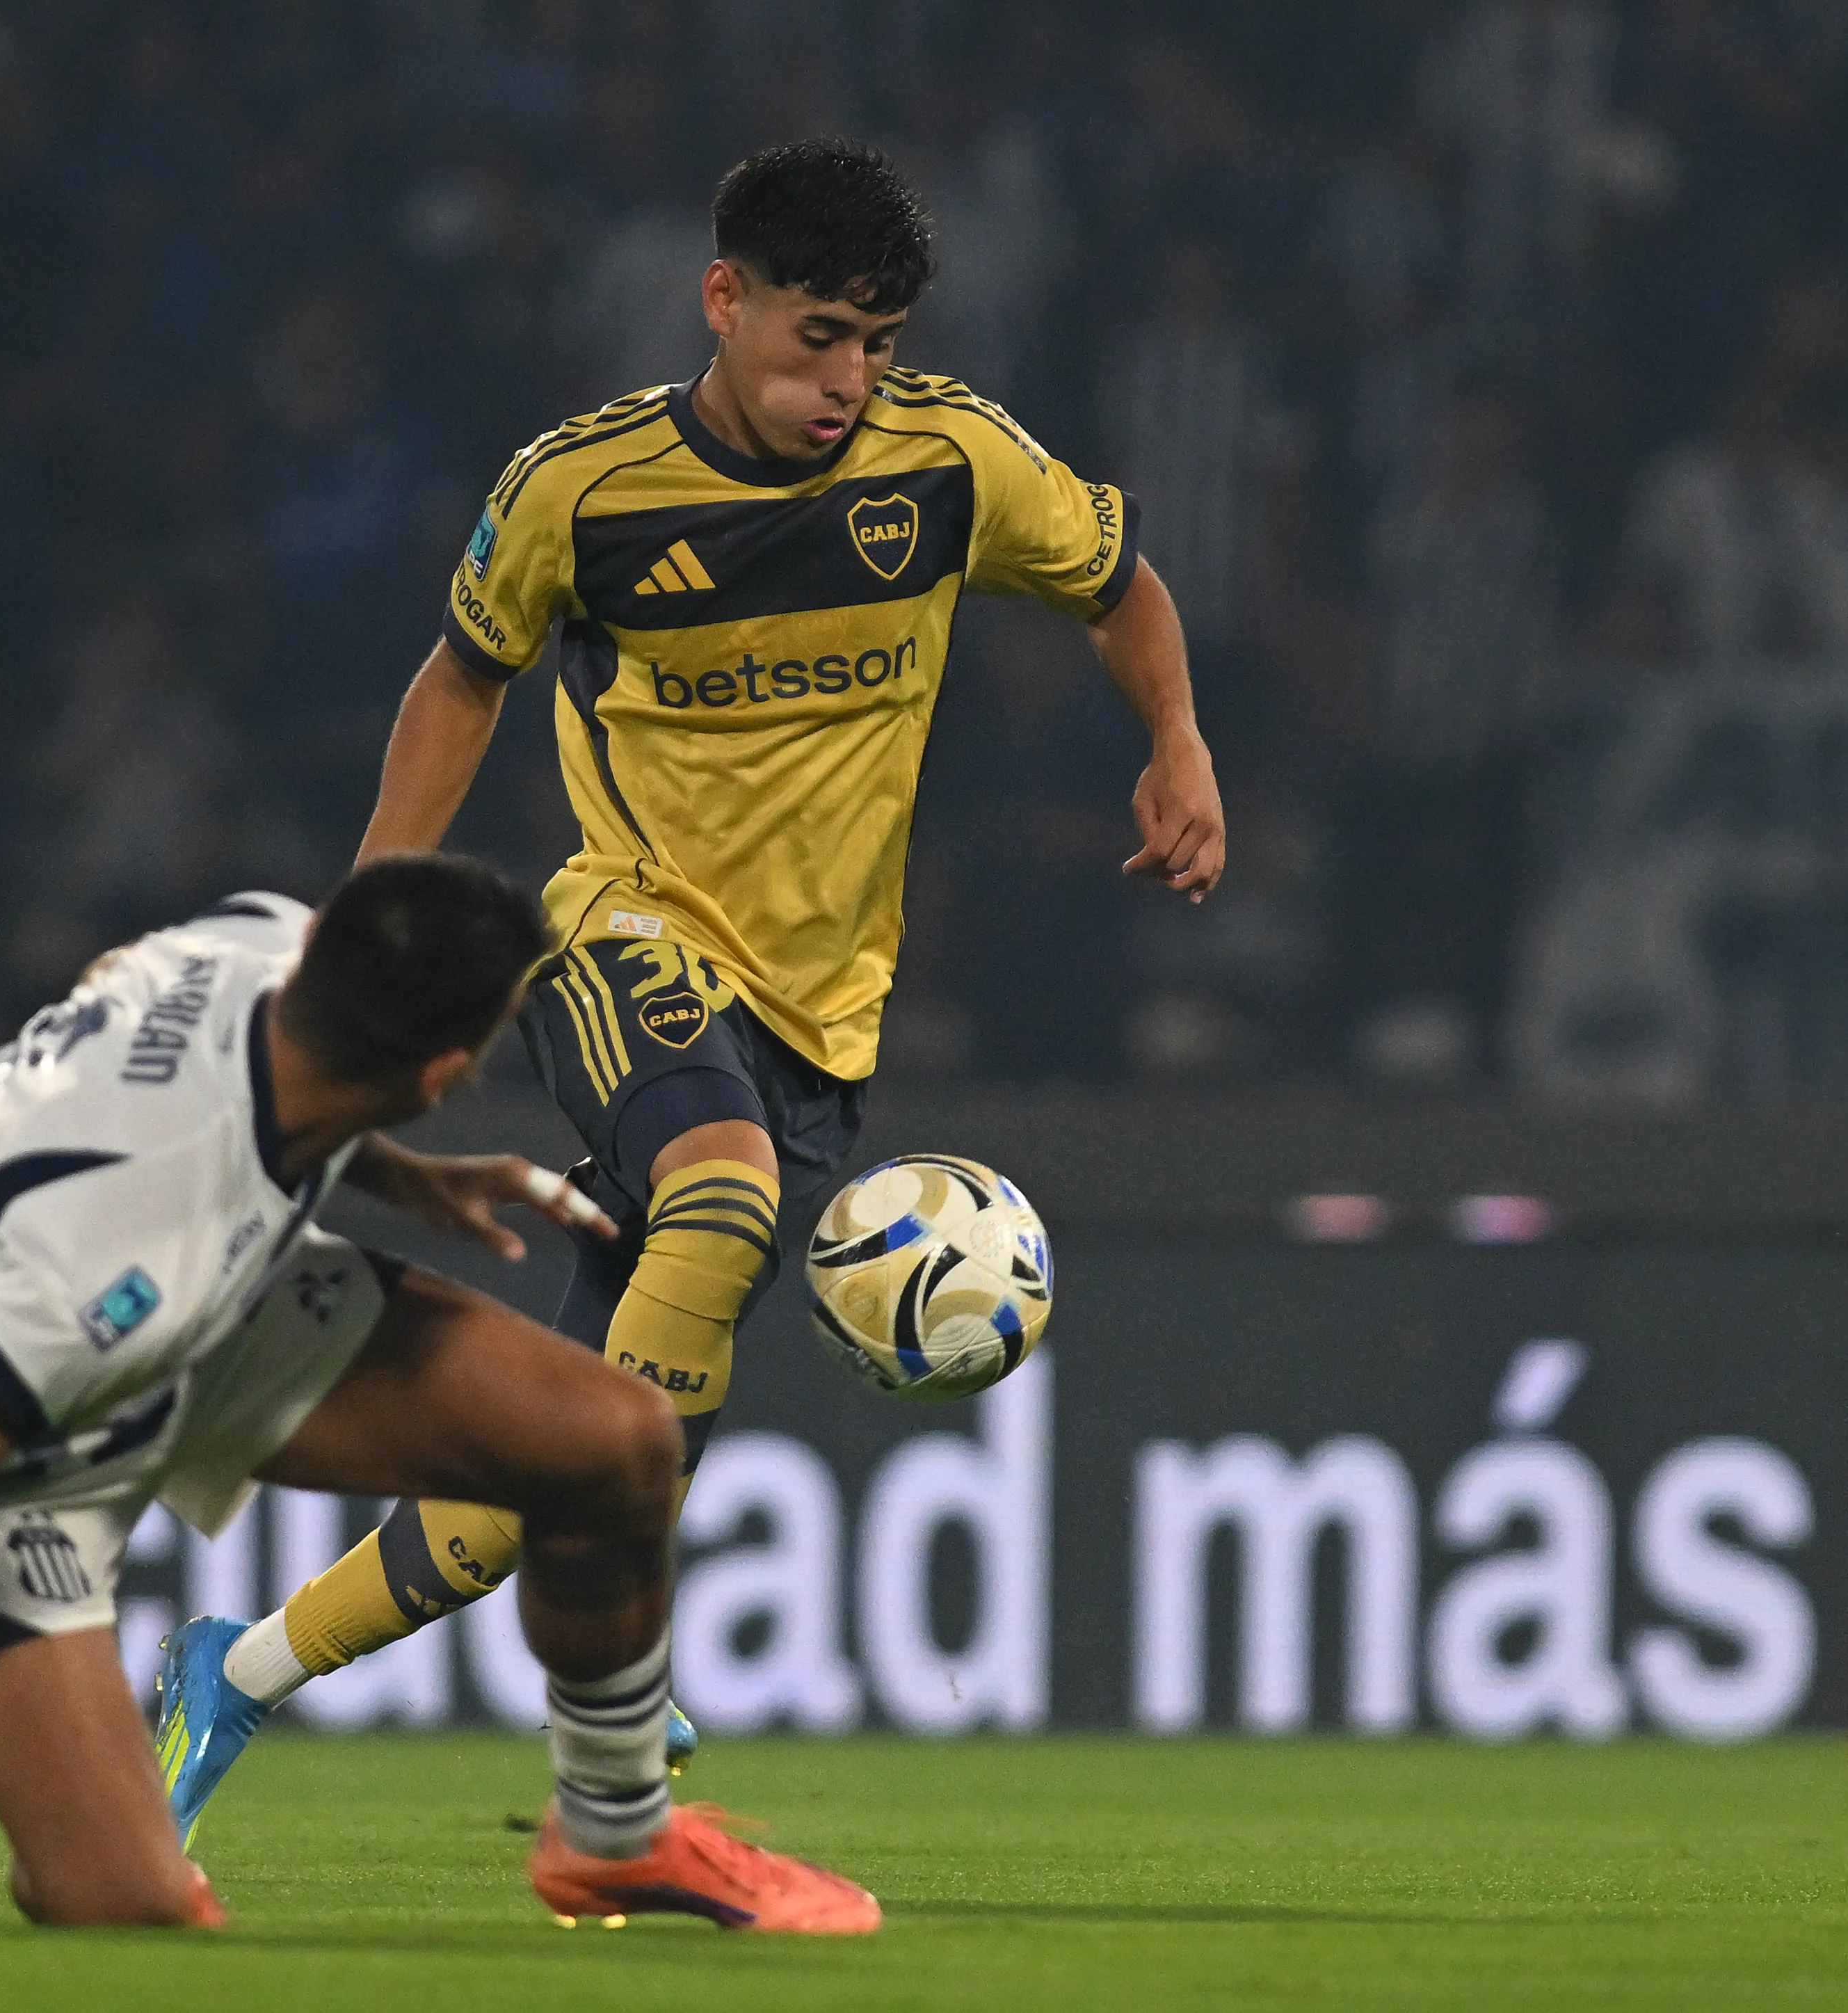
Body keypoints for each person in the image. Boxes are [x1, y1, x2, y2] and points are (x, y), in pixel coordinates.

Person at [157, 136, 1226, 1834]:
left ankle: (237, 1668)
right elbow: (461, 683)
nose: (847, 380)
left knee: (568, 1460)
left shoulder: (949, 461)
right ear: (722, 301)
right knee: (719, 1201)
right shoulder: (580, 492)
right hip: (623, 929)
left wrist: (1173, 740)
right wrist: (366, 922)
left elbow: (1120, 581)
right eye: (817, 337)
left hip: (818, 1015)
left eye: (874, 341)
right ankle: (629, 1705)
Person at [0, 857, 880, 1936]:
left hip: (209, 1278)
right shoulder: (122, 1253)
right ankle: (63, 1796)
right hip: (8, 1426)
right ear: (438, 1076)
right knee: (123, 1901)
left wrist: (396, 1170)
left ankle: (616, 1833)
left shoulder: (268, 936)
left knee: (610, 1435)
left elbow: (110, 995)